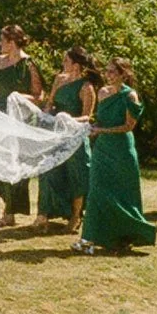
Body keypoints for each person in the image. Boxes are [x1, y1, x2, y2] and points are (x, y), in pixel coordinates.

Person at [79, 56, 157, 253]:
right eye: (107, 71)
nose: (109, 75)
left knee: (122, 194)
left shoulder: (130, 96)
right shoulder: (103, 92)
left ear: (124, 74)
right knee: (97, 190)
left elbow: (128, 126)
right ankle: (89, 238)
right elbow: (101, 121)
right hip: (102, 149)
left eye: (114, 71)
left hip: (122, 150)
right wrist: (93, 127)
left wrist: (102, 131)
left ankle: (125, 236)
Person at [0, 24, 43, 224]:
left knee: (14, 163)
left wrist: (18, 98)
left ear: (12, 42)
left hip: (20, 120)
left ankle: (9, 213)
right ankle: (9, 203)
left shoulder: (29, 65)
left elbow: (39, 96)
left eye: (2, 40)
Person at [37, 46, 98, 228]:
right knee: (48, 170)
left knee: (76, 174)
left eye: (66, 60)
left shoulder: (87, 87)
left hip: (75, 135)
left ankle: (76, 216)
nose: (62, 63)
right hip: (57, 133)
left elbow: (88, 116)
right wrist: (45, 115)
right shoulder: (59, 79)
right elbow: (50, 103)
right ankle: (43, 215)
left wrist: (68, 119)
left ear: (76, 65)